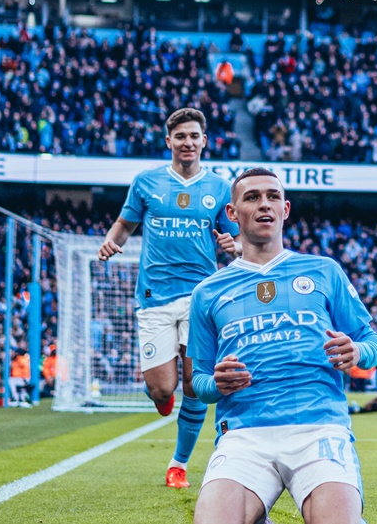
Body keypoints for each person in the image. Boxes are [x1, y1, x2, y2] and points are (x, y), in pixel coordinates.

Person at [187, 168, 377, 524]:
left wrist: (357, 352)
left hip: (318, 427)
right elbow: (198, 382)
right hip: (244, 434)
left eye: (273, 197)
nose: (265, 204)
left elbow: (372, 343)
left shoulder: (324, 270)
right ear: (232, 213)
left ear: (285, 209)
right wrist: (216, 384)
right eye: (252, 197)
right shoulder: (208, 292)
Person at [98, 108, 239, 489]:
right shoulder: (147, 182)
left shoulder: (220, 187)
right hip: (154, 296)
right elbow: (126, 223)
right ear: (169, 142)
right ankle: (161, 398)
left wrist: (233, 245)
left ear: (204, 141)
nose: (188, 143)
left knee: (194, 384)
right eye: (181, 137)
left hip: (200, 298)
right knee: (162, 389)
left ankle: (178, 463)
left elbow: (238, 241)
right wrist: (113, 241)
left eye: (194, 136)